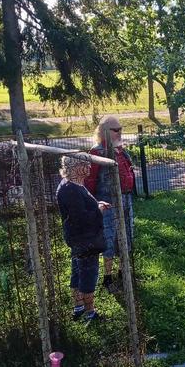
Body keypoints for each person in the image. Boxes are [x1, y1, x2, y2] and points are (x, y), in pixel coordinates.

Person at [56, 155, 110, 323]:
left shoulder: (75, 185)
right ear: (73, 167)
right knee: (88, 274)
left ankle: (78, 307)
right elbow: (81, 218)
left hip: (80, 238)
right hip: (85, 240)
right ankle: (90, 313)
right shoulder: (70, 190)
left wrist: (97, 204)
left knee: (78, 271)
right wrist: (99, 210)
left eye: (88, 163)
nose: (89, 167)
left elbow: (82, 208)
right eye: (84, 164)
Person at [85, 115, 136, 293]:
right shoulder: (97, 152)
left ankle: (123, 272)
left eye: (120, 129)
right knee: (109, 238)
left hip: (125, 200)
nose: (119, 132)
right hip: (107, 202)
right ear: (104, 131)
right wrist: (94, 203)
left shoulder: (121, 150)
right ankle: (108, 278)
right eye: (116, 130)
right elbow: (90, 181)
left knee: (127, 235)